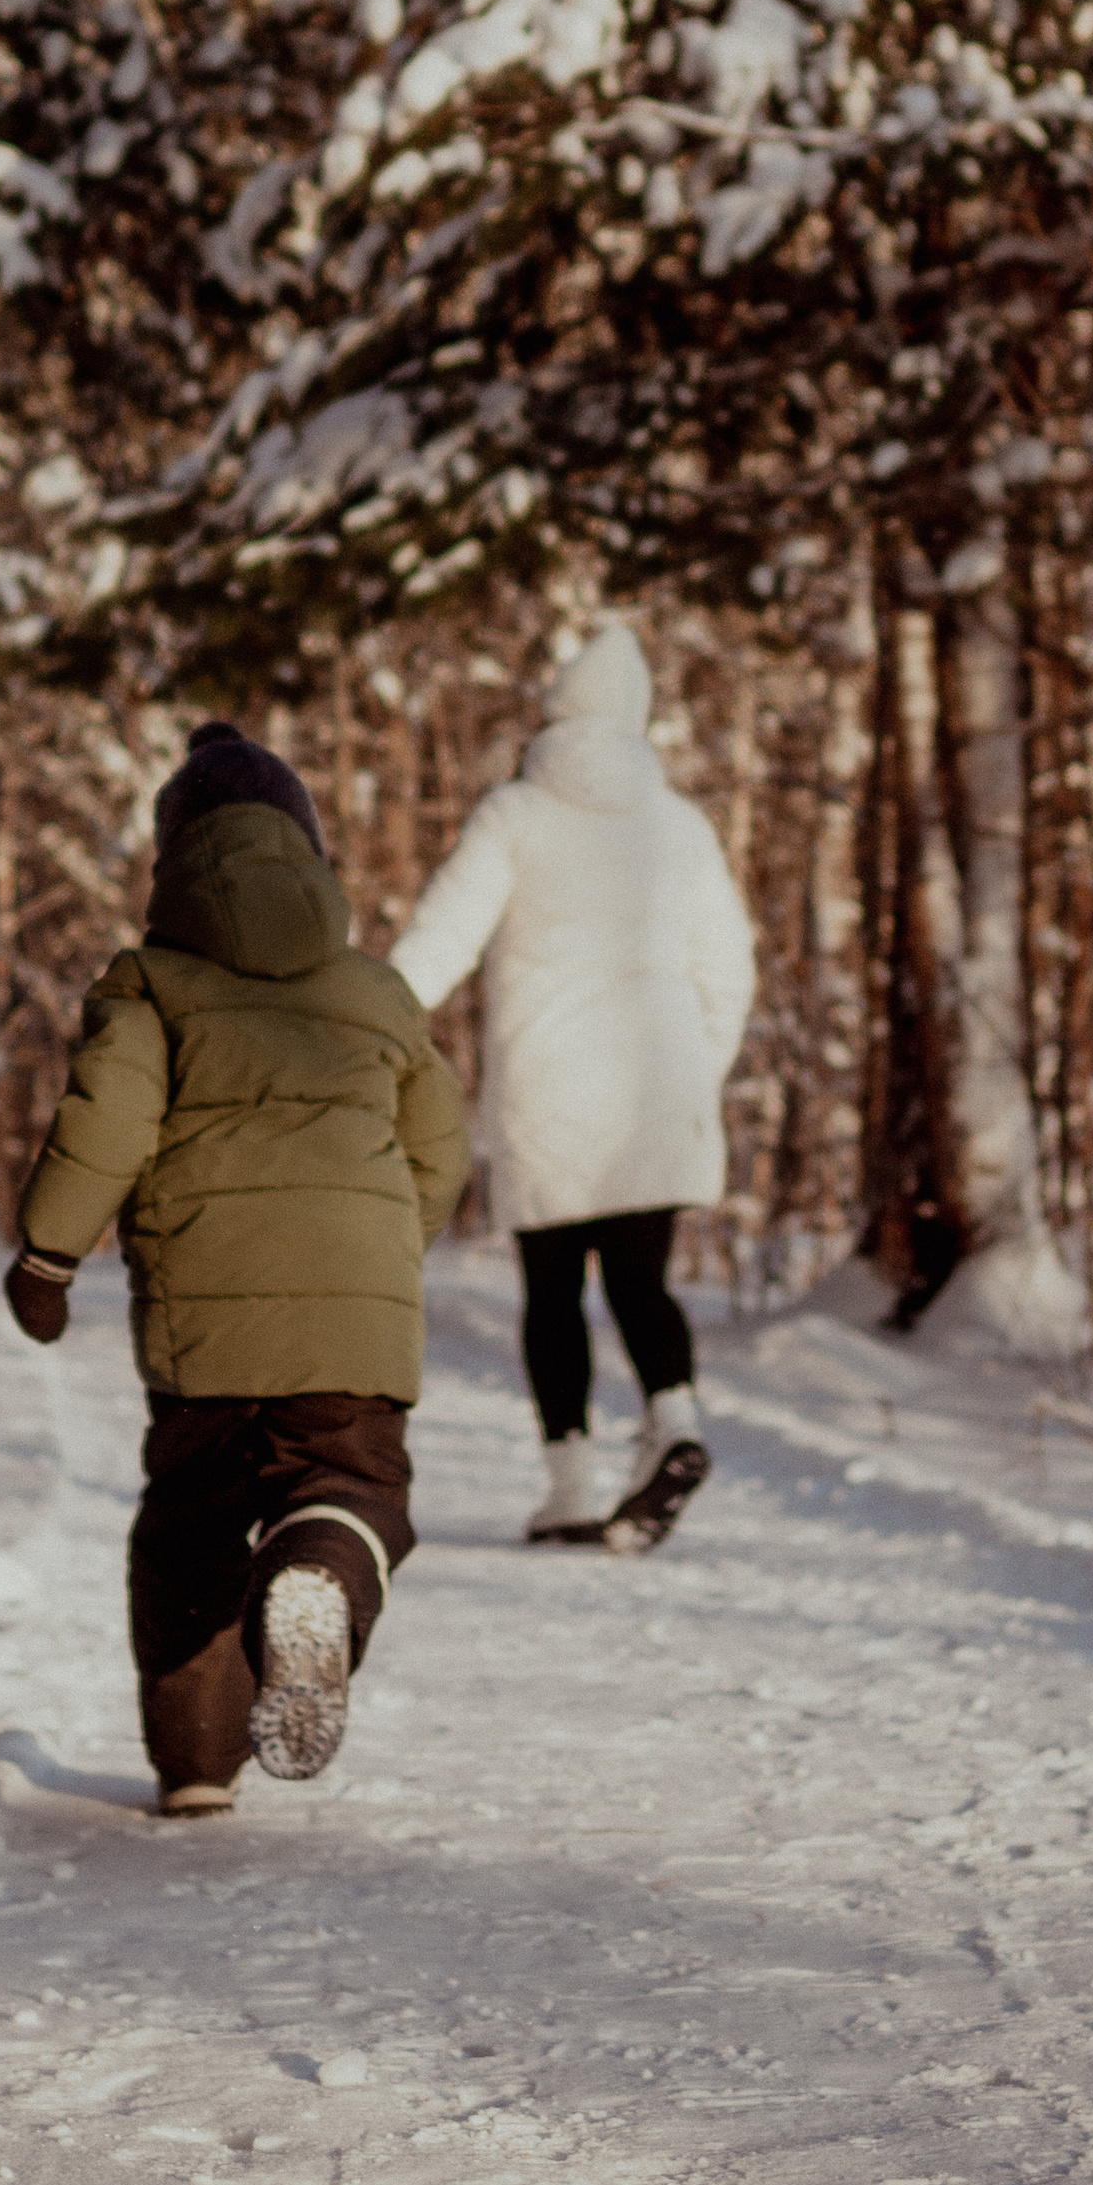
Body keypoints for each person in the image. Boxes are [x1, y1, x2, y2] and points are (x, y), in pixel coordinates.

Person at [5, 719, 469, 1817]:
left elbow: (107, 1121)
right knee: (350, 1483)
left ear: (172, 863)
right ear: (307, 851)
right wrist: (384, 1252)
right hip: (354, 1318)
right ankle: (317, 1564)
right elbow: (440, 1147)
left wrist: (46, 1255)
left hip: (203, 1327)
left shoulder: (151, 985)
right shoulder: (378, 992)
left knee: (189, 1531)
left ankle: (199, 1765)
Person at [389, 623, 755, 1551]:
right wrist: (695, 1072)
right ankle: (675, 1422)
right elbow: (730, 970)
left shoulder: (513, 814)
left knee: (553, 1294)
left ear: (553, 714)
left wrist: (366, 1021)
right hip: (654, 1090)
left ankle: (572, 1488)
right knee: (642, 1282)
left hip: (546, 1090)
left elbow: (444, 936)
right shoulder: (677, 824)